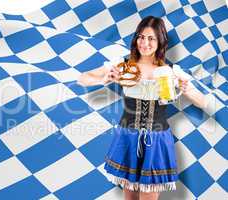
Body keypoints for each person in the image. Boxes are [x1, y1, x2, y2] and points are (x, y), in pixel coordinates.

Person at [77, 16, 208, 200]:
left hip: (157, 139)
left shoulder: (170, 70)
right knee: (129, 197)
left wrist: (186, 89)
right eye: (141, 36)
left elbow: (202, 101)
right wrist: (103, 79)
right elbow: (83, 78)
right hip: (127, 137)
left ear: (160, 41)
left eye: (151, 38)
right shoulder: (123, 65)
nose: (144, 43)